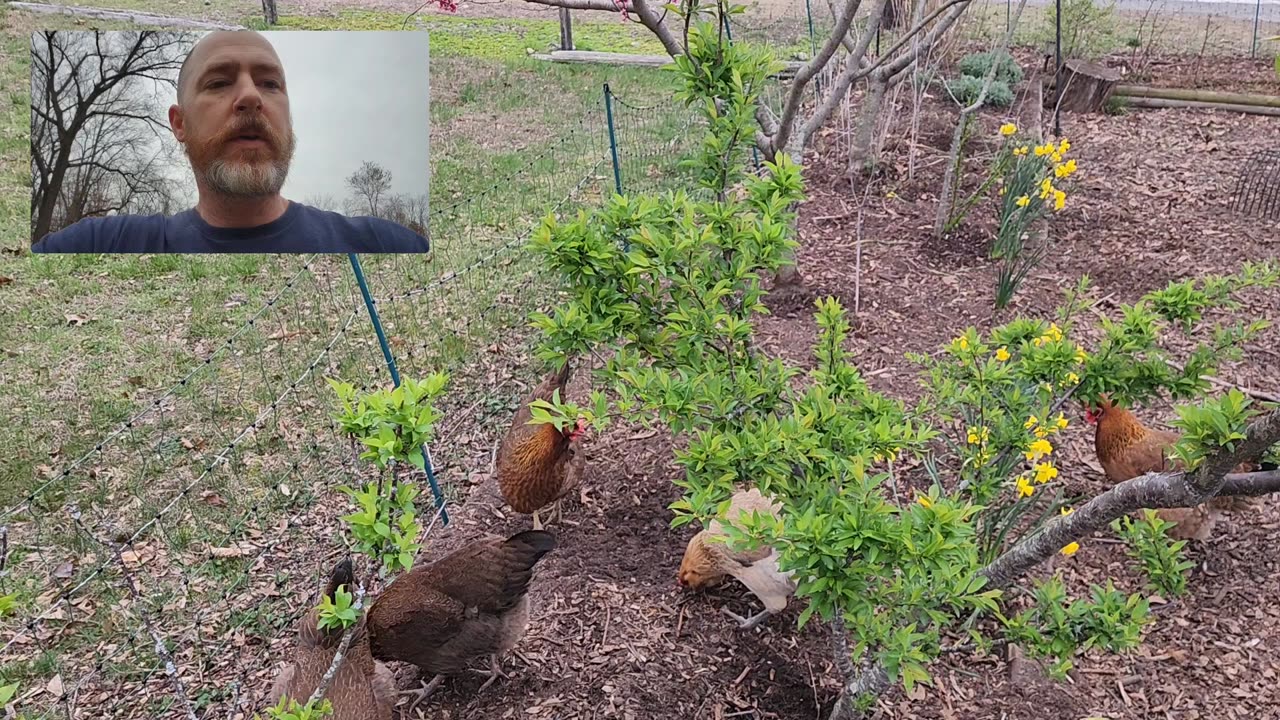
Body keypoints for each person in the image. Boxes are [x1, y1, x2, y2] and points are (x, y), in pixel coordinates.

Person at [32, 31, 429, 254]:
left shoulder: (384, 244)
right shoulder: (100, 245)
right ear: (179, 123)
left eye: (270, 83)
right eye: (219, 82)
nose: (251, 97)